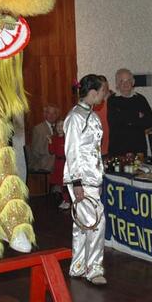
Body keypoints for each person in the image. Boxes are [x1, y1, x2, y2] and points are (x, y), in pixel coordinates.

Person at [64, 74, 107, 285]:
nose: (104, 96)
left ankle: (78, 266)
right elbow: (72, 151)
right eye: (102, 92)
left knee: (82, 225)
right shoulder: (75, 118)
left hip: (93, 177)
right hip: (82, 179)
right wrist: (77, 182)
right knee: (96, 223)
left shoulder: (92, 116)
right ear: (93, 93)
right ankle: (94, 269)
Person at [107, 68, 152, 157]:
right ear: (117, 84)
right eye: (121, 81)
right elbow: (114, 122)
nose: (125, 84)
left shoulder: (141, 99)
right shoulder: (112, 100)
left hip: (139, 149)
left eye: (128, 80)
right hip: (118, 150)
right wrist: (137, 116)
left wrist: (125, 116)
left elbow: (149, 122)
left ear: (133, 82)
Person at [48, 118, 71, 210]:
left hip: (65, 163)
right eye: (58, 126)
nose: (59, 128)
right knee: (60, 183)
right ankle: (65, 200)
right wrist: (50, 142)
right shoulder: (55, 138)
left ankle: (68, 201)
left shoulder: (67, 138)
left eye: (62, 126)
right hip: (58, 163)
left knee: (64, 183)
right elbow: (51, 151)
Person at [29, 104, 60, 173]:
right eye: (49, 113)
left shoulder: (60, 128)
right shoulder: (38, 129)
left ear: (57, 115)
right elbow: (36, 150)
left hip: (57, 160)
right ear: (45, 114)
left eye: (54, 113)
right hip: (43, 163)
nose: (51, 116)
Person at [93, 75, 111, 157]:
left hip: (112, 144)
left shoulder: (114, 100)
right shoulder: (94, 103)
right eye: (102, 88)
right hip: (98, 145)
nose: (104, 90)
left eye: (105, 87)